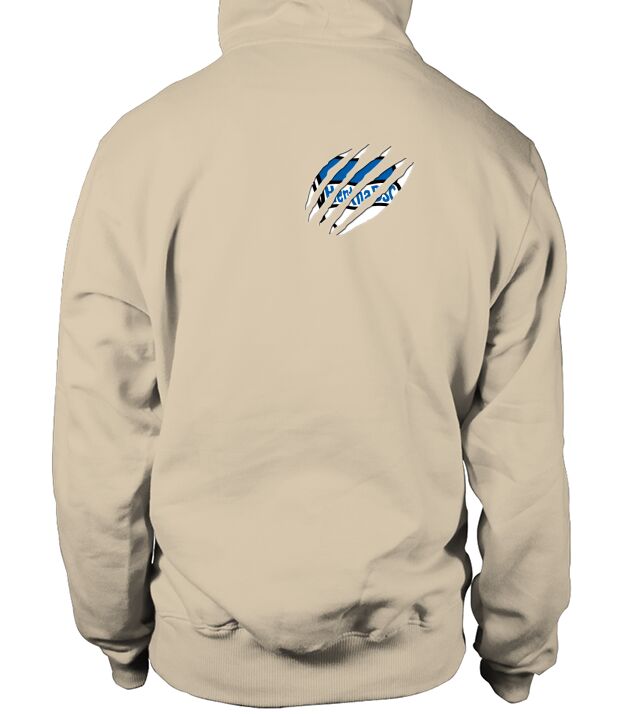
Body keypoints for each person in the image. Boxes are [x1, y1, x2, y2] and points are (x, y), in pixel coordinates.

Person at [53, 0, 571, 706]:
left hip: (202, 652)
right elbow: (522, 444)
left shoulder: (141, 150)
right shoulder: (494, 154)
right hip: (415, 659)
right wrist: (517, 647)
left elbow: (102, 427)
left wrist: (115, 629)